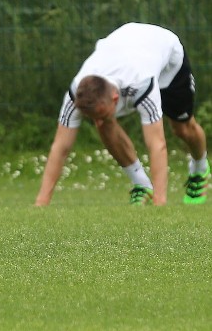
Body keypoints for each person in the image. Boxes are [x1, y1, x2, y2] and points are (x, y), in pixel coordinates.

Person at [35, 22, 209, 206]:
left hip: (165, 56)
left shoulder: (141, 84)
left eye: (102, 114)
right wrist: (41, 203)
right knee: (105, 125)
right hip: (126, 47)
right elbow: (60, 147)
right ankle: (142, 184)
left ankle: (200, 168)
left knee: (182, 128)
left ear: (115, 98)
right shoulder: (77, 92)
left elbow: (157, 144)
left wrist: (160, 204)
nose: (98, 123)